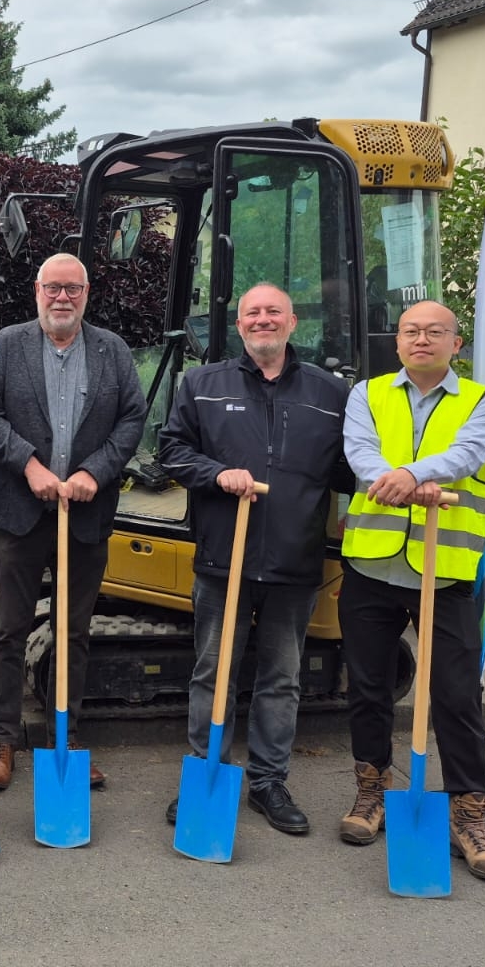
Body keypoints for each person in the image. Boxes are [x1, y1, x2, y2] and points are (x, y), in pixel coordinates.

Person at [156, 284, 353, 835]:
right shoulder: (202, 383)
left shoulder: (329, 392)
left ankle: (268, 781)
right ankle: (205, 772)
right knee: (211, 671)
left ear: (292, 322)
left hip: (294, 559)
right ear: (238, 324)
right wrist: (217, 474)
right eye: (251, 313)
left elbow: (351, 467)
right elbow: (171, 449)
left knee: (281, 676)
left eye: (272, 312)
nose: (262, 320)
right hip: (224, 557)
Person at [338, 299, 485, 881]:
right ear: (398, 342)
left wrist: (414, 474)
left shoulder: (483, 401)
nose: (422, 339)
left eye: (435, 332)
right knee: (367, 688)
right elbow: (360, 453)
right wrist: (398, 478)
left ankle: (469, 815)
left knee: (458, 696)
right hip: (372, 567)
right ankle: (372, 791)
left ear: (456, 344)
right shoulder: (368, 393)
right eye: (411, 331)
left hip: (447, 571)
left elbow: (468, 454)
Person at [0, 252, 147, 791]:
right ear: (37, 291)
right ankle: (3, 739)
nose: (62, 297)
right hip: (21, 513)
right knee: (9, 630)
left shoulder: (111, 350)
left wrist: (96, 470)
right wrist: (29, 464)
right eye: (53, 288)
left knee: (74, 630)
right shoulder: (7, 344)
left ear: (86, 294)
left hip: (86, 514)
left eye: (72, 288)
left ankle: (65, 738)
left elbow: (133, 418)